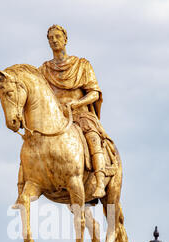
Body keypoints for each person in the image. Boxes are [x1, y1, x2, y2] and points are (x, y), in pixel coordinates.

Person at [39, 24, 108, 198]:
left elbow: (94, 93)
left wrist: (76, 104)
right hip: (56, 120)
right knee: (33, 142)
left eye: (57, 37)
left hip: (80, 115)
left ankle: (100, 180)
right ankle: (25, 181)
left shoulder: (81, 65)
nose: (54, 40)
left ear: (65, 39)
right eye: (50, 38)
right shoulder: (44, 70)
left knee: (92, 137)